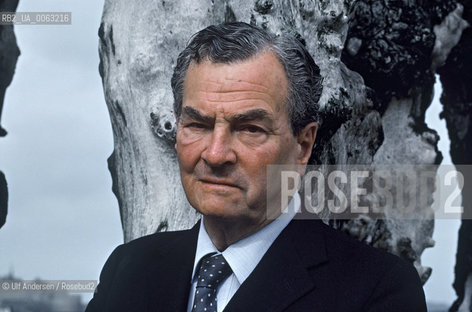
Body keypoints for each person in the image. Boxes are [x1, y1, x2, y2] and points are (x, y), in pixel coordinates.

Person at [85, 22, 426, 312]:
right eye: (198, 126)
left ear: (303, 145)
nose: (216, 154)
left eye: (250, 129)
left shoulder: (376, 290)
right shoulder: (128, 269)